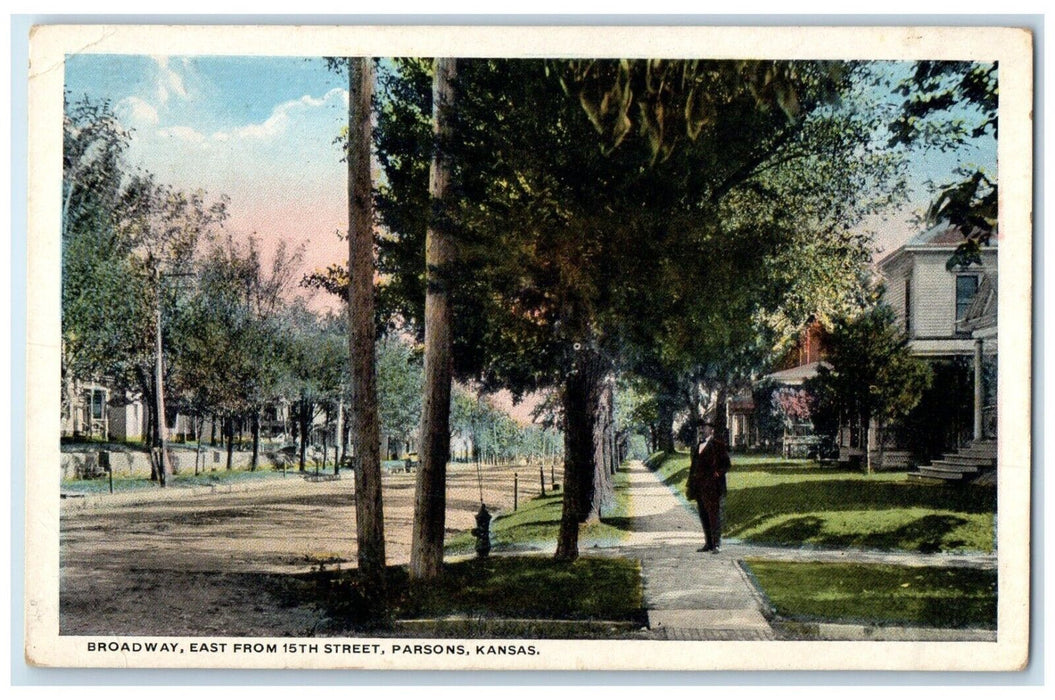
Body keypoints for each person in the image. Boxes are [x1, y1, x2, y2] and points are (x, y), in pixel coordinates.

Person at [686, 424, 731, 553]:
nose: (702, 429)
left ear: (711, 430)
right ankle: (708, 543)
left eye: (705, 427)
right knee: (703, 515)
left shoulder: (717, 445)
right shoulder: (697, 446)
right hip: (699, 487)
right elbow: (693, 467)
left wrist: (718, 473)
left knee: (713, 515)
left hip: (712, 487)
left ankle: (717, 544)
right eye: (701, 427)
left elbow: (727, 464)